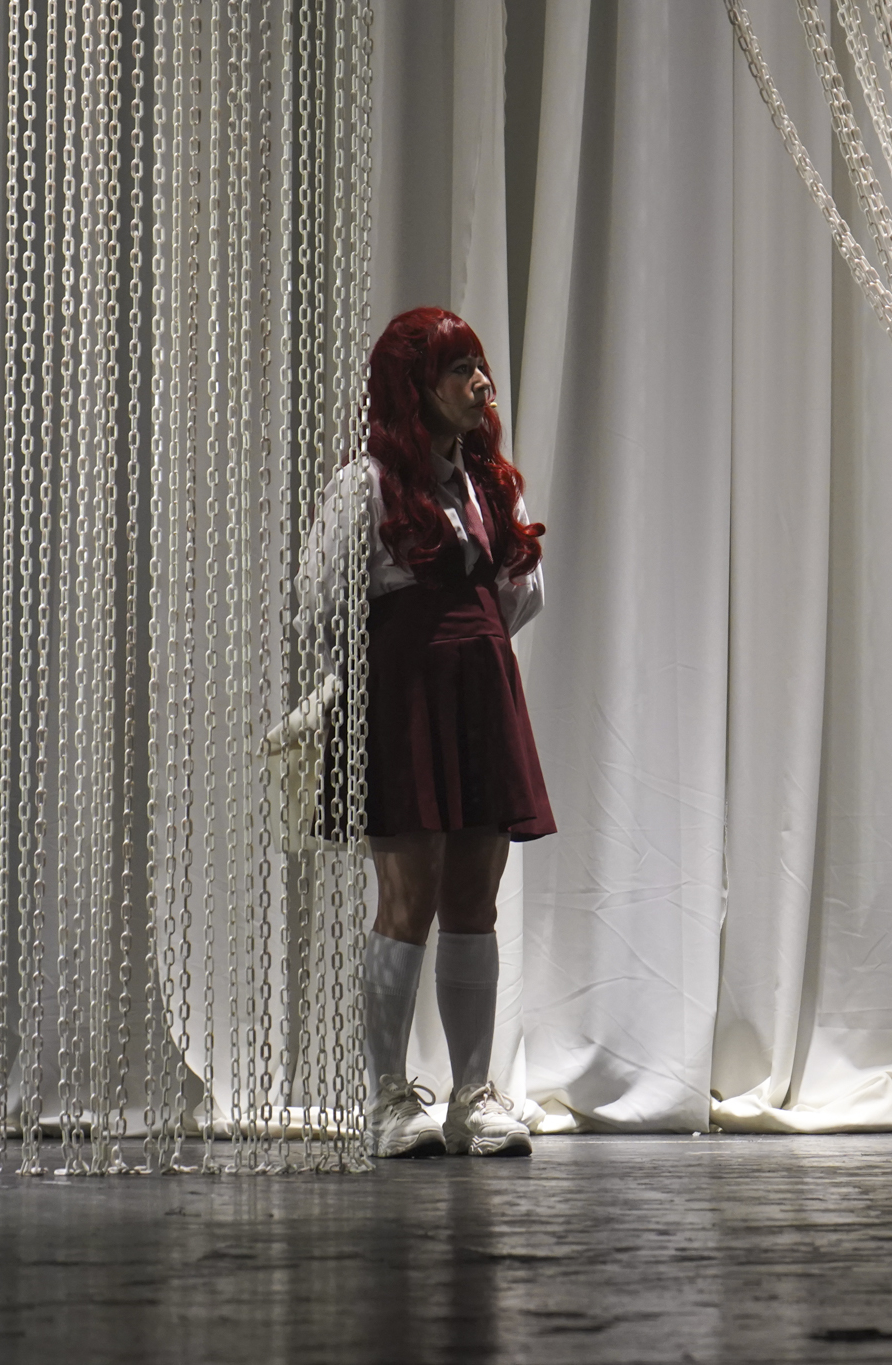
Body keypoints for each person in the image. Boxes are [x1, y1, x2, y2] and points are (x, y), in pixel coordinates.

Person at [299, 307, 555, 1159]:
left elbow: (519, 595)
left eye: (481, 365)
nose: (482, 384)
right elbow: (319, 604)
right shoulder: (366, 484)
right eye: (460, 369)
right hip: (405, 700)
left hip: (480, 697)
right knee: (408, 900)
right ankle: (386, 1097)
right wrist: (391, 675)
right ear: (417, 387)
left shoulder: (489, 484)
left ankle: (471, 1095)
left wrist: (467, 655)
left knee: (475, 899)